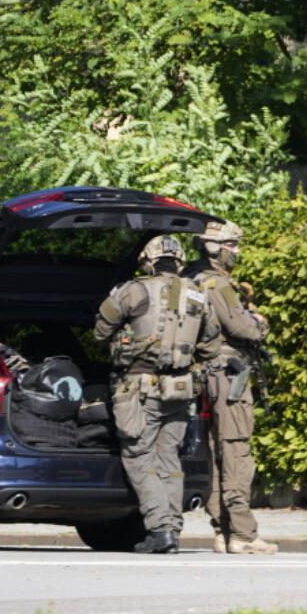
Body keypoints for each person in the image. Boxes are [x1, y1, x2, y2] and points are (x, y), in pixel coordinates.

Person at [94, 234, 218, 554]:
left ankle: (160, 528)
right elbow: (210, 344)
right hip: (181, 390)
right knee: (169, 457)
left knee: (139, 455)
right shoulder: (197, 295)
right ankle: (173, 529)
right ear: (179, 261)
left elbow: (100, 330)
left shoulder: (134, 290)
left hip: (141, 389)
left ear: (148, 260)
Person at [186, 220, 278, 555]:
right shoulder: (219, 284)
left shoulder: (188, 279)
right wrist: (260, 322)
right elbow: (243, 328)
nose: (237, 251)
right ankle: (243, 534)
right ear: (216, 248)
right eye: (232, 245)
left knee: (212, 451)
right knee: (236, 449)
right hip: (228, 375)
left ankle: (221, 531)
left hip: (199, 376)